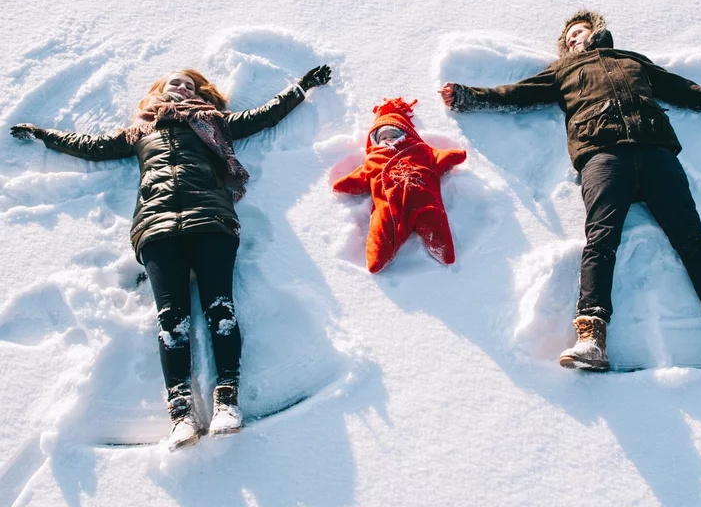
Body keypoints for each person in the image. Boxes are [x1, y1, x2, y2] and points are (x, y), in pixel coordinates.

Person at [439, 10, 701, 371]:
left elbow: (684, 90)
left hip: (656, 153)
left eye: (582, 31)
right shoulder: (563, 71)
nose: (577, 38)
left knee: (691, 238)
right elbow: (516, 94)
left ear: (597, 32)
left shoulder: (632, 61)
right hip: (601, 156)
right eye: (571, 37)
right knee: (601, 240)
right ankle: (591, 337)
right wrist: (468, 97)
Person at [10, 64, 331, 449]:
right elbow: (90, 148)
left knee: (220, 308)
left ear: (202, 93)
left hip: (211, 218)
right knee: (171, 319)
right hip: (156, 227)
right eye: (172, 82)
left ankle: (227, 401)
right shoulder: (140, 131)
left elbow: (263, 116)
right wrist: (45, 136)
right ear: (159, 92)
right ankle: (181, 415)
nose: (180, 86)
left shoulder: (215, 122)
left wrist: (301, 86)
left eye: (188, 83)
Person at [332, 97, 466, 273]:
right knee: (384, 224)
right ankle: (379, 255)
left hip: (424, 198)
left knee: (433, 219)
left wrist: (453, 156)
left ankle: (442, 249)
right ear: (375, 142)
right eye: (382, 138)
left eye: (393, 135)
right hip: (390, 205)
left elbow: (440, 157)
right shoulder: (374, 160)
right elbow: (360, 176)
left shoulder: (421, 150)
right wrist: (345, 184)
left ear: (405, 134)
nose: (388, 140)